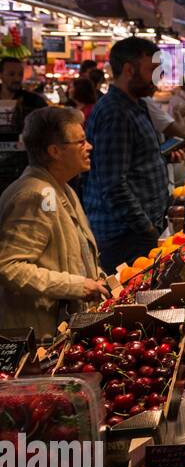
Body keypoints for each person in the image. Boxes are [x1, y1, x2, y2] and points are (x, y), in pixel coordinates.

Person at [0, 107, 107, 339]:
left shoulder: (61, 187)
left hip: (58, 329)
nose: (89, 147)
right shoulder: (35, 195)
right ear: (55, 151)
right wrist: (76, 286)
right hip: (37, 336)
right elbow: (9, 267)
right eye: (80, 142)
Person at [82, 37, 172, 273]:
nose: (159, 76)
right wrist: (146, 228)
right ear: (129, 70)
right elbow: (113, 184)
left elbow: (132, 161)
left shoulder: (136, 105)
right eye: (153, 70)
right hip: (124, 236)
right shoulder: (116, 113)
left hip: (135, 231)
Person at [0, 55, 49, 193]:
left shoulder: (34, 101)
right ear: (1, 75)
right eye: (11, 74)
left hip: (23, 167)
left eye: (20, 74)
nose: (16, 78)